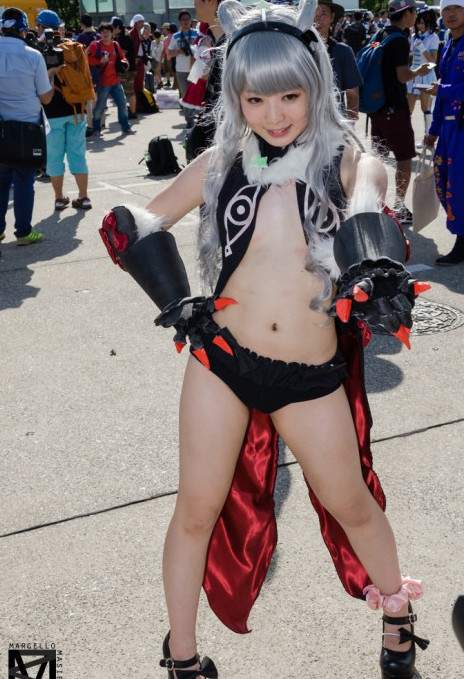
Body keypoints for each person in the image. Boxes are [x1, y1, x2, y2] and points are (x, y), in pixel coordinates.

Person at [99, 1, 431, 677]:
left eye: (289, 96)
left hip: (310, 376)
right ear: (235, 97)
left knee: (352, 504)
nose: (274, 114)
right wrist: (170, 292)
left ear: (314, 84)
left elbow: (369, 199)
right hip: (222, 361)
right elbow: (140, 220)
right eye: (255, 99)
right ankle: (183, 657)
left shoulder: (344, 159)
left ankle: (398, 619)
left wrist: (373, 261)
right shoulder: (220, 163)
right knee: (196, 510)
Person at [369, 0, 430, 225]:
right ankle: (398, 206)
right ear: (407, 14)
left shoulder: (380, 34)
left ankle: (374, 204)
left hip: (376, 107)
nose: (416, 16)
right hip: (395, 107)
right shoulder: (400, 39)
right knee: (404, 159)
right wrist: (419, 71)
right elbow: (402, 75)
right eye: (415, 12)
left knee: (377, 157)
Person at [0, 7, 56, 245]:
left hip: (2, 126)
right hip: (27, 128)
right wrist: (52, 75)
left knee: (1, 180)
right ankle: (23, 232)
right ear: (23, 30)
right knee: (24, 180)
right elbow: (46, 97)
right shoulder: (33, 56)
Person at [424, 0, 464, 264]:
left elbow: (446, 89)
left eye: (456, 8)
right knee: (444, 182)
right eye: (446, 9)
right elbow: (441, 90)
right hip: (448, 128)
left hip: (462, 127)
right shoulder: (447, 44)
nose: (450, 14)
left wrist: (443, 90)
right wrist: (433, 130)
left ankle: (462, 242)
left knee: (459, 186)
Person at [314, 0, 362, 119]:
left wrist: (349, 125)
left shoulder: (342, 51)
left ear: (332, 17)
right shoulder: (295, 51)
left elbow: (352, 94)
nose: (317, 18)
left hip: (334, 123)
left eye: (323, 13)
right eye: (313, 13)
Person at [87, 22, 132, 136]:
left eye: (107, 31)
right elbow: (86, 60)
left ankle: (125, 127)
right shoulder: (95, 45)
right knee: (99, 107)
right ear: (100, 34)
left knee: (122, 104)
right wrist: (99, 61)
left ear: (112, 33)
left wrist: (125, 63)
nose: (105, 34)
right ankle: (96, 129)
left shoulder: (115, 44)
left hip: (115, 81)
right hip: (102, 83)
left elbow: (122, 57)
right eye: (102, 32)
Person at [407, 10, 439, 137]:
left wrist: (422, 48)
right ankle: (406, 137)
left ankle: (428, 138)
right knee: (408, 109)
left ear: (429, 23)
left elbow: (433, 61)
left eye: (422, 23)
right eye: (418, 22)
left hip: (426, 74)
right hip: (413, 74)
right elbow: (411, 56)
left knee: (425, 108)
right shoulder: (414, 36)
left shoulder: (433, 37)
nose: (419, 25)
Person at [168, 10, 198, 126]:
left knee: (195, 94)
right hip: (181, 70)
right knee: (185, 95)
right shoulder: (175, 36)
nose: (185, 21)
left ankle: (196, 117)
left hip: (195, 69)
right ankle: (189, 121)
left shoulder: (197, 34)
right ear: (180, 22)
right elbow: (169, 53)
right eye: (183, 19)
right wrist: (180, 51)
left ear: (191, 20)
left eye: (187, 19)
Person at [112, 18, 137, 120]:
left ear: (118, 27)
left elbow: (123, 53)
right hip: (129, 68)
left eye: (112, 28)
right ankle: (132, 111)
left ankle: (132, 112)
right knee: (129, 91)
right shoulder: (124, 36)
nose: (111, 30)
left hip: (127, 70)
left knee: (129, 92)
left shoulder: (123, 38)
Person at [129, 13, 145, 107]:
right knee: (136, 83)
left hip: (140, 60)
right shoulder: (132, 33)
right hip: (135, 61)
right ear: (136, 23)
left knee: (140, 82)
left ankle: (139, 104)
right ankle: (136, 105)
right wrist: (134, 59)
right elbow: (131, 48)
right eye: (140, 22)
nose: (143, 24)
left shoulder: (139, 33)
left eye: (143, 22)